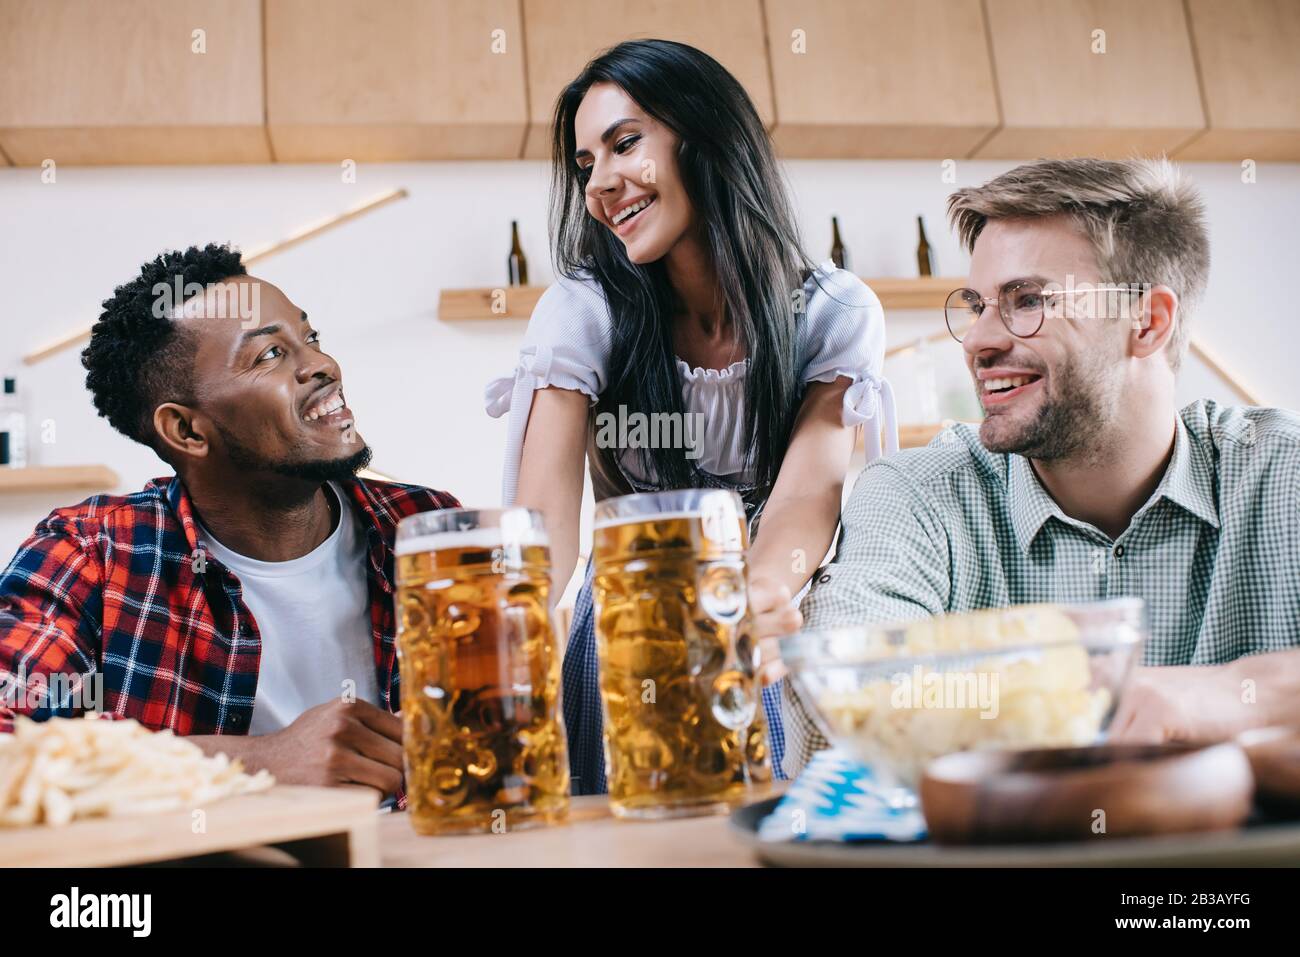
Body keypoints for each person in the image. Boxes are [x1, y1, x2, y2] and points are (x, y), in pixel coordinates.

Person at [785, 157, 1300, 775]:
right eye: (976, 304)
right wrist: (1097, 698)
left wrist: (1214, 695)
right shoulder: (918, 495)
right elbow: (843, 698)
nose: (977, 340)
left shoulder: (1280, 474)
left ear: (1149, 320)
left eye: (1026, 300)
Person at [485, 39, 896, 794]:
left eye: (624, 143)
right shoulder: (584, 310)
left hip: (756, 625)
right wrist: (510, 677)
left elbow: (807, 499)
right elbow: (543, 520)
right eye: (584, 165)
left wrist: (746, 607)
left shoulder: (831, 313)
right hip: (623, 639)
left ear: (706, 134)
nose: (600, 184)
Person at [0, 244, 460, 800]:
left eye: (309, 339)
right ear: (188, 432)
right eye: (269, 355)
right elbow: (12, 750)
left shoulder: (427, 527)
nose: (322, 366)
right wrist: (260, 765)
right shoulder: (90, 555)